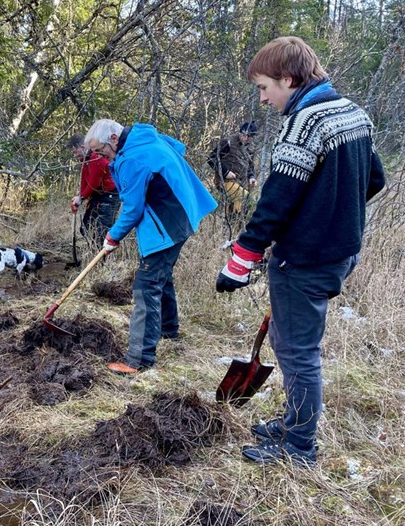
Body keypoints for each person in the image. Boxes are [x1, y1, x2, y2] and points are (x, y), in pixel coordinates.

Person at [215, 36, 386, 467]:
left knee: (298, 352)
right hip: (340, 252)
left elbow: (277, 201)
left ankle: (299, 446)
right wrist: (332, 213)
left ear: (288, 80)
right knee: (289, 339)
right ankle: (295, 422)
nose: (263, 98)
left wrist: (240, 262)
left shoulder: (305, 121)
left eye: (264, 87)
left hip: (307, 260)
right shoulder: (352, 113)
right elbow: (375, 179)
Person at [84, 120, 217, 373]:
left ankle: (139, 360)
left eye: (101, 151)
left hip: (168, 224)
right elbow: (178, 148)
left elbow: (132, 209)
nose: (101, 157)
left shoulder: (133, 157)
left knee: (146, 286)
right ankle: (169, 330)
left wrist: (112, 237)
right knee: (161, 276)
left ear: (113, 138)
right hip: (182, 216)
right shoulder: (145, 138)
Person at [68, 134, 120, 245]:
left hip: (109, 195)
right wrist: (80, 197)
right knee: (86, 228)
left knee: (102, 231)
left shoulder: (97, 158)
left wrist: (81, 198)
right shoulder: (84, 160)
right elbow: (85, 180)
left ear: (82, 147)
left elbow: (94, 183)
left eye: (75, 151)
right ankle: (93, 253)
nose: (74, 155)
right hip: (97, 195)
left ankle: (103, 259)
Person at [208, 121, 258, 220]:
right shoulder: (228, 142)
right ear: (240, 132)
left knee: (242, 209)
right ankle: (230, 226)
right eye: (243, 135)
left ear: (253, 138)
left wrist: (252, 177)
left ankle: (233, 230)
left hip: (241, 183)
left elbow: (250, 165)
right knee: (246, 199)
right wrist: (226, 172)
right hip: (225, 181)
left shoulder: (251, 147)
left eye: (249, 137)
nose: (245, 138)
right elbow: (211, 159)